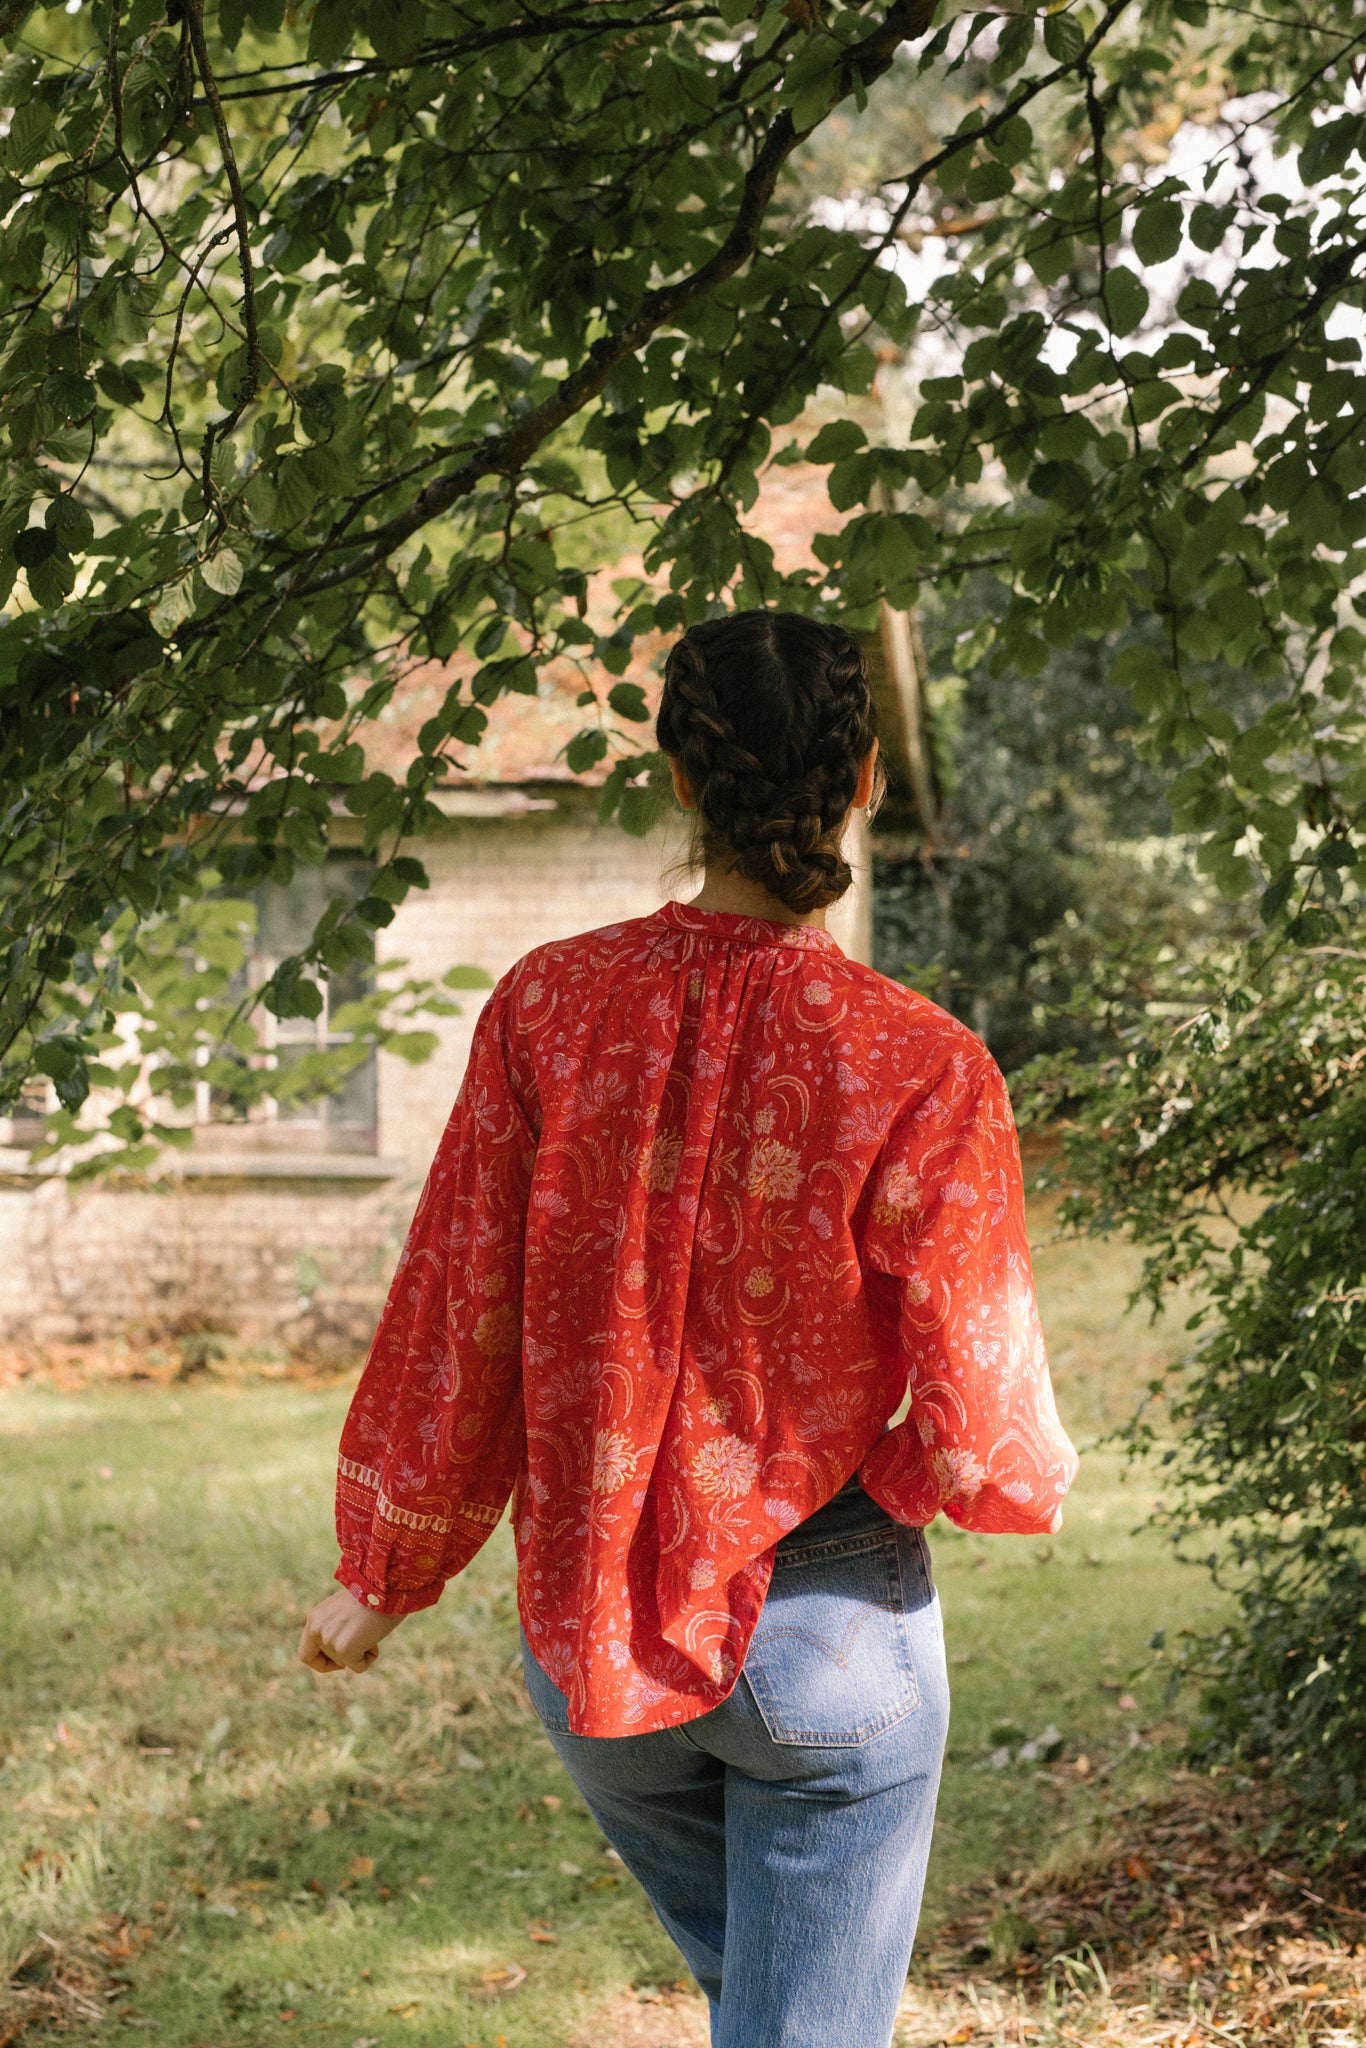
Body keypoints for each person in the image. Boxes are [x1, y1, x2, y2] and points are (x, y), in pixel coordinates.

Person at [299, 609, 1078, 2048]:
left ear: (673, 776)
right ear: (860, 783)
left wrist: (387, 1578)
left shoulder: (546, 1008)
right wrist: (906, 1487)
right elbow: (988, 1425)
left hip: (590, 1638)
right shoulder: (922, 1060)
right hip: (827, 1631)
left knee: (769, 2011)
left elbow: (458, 1310)